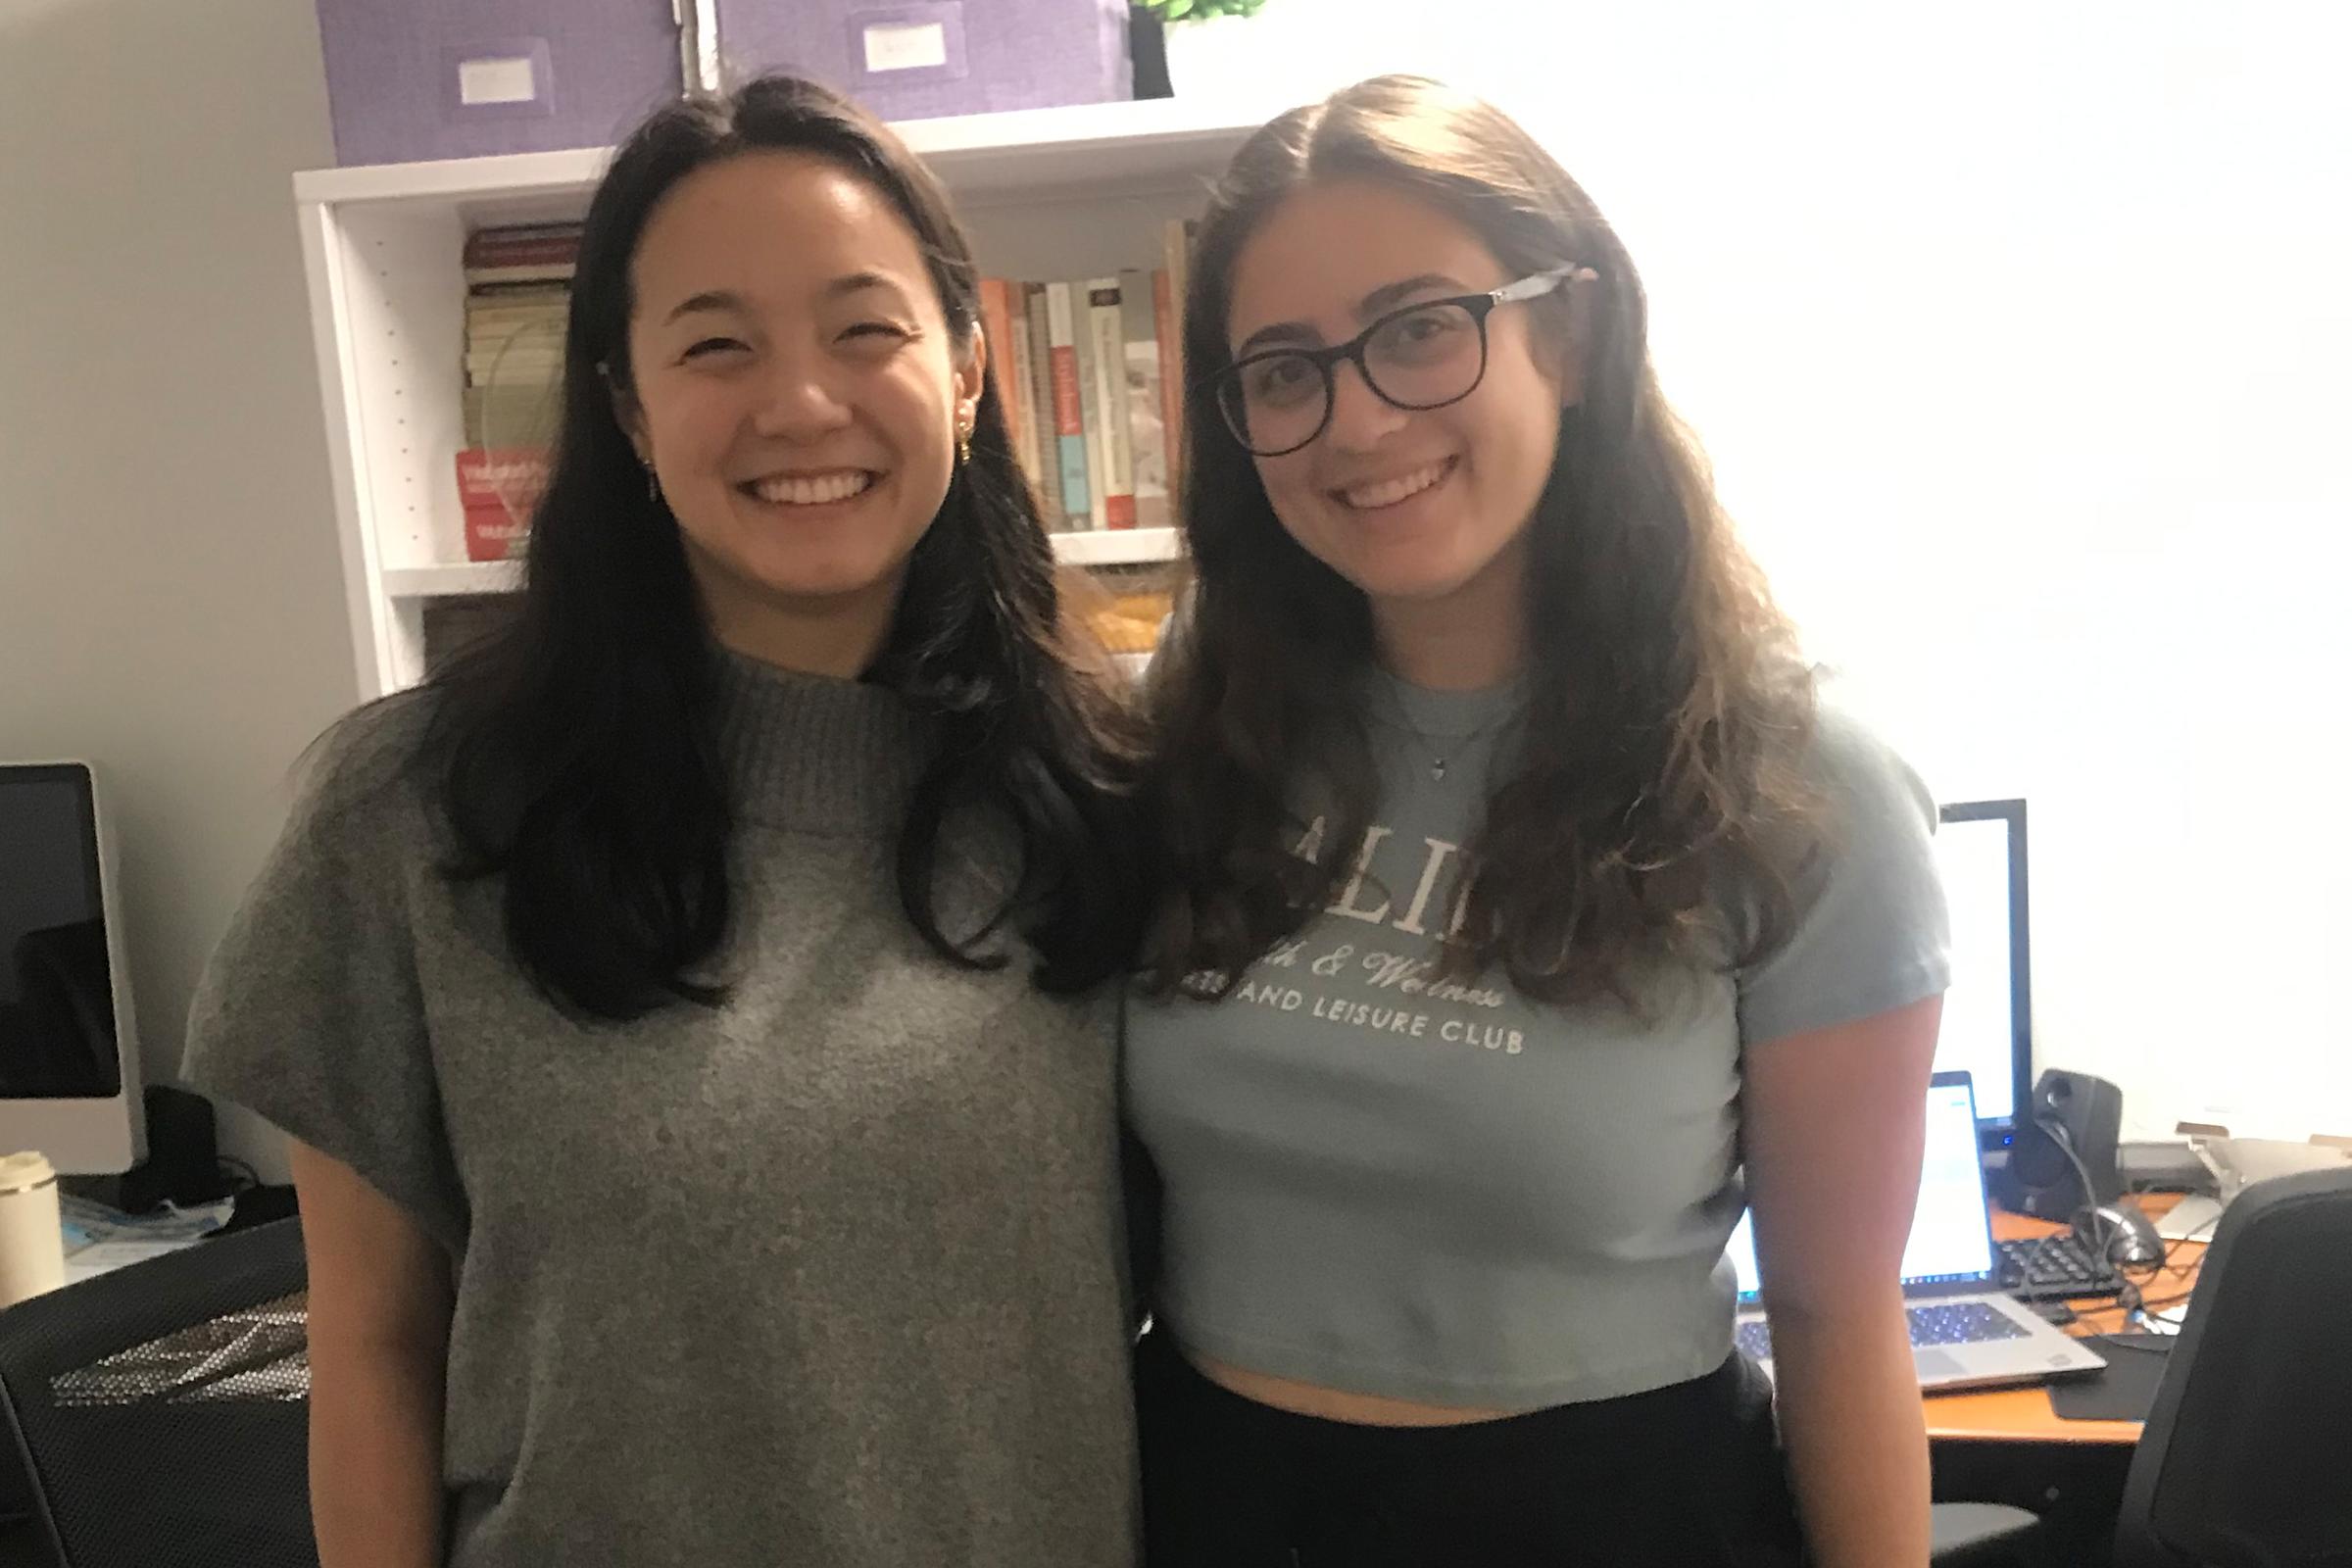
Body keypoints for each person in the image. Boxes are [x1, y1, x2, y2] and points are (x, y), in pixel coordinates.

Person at [185, 74, 1148, 1568]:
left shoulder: (1100, 788)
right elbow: (371, 1348)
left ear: (967, 370)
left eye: (865, 328)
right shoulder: (419, 814)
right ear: (629, 411)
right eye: (716, 344)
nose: (802, 403)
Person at [1127, 74, 1949, 1567]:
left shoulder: (1796, 782)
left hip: (1615, 1514)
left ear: (1565, 334)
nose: (1357, 417)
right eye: (1284, 368)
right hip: (1212, 1503)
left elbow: (1838, 1317)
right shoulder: (1201, 724)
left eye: (1420, 328)